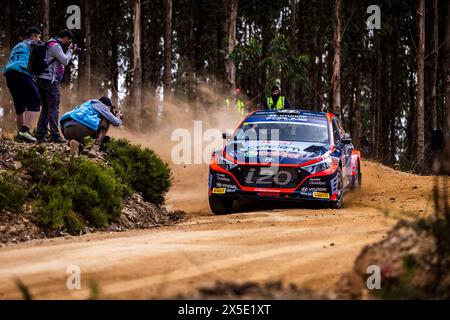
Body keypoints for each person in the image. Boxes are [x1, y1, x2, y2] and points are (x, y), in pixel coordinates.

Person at [36, 29, 77, 143]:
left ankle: (41, 134)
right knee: (54, 108)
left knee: (46, 108)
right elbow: (65, 61)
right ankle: (55, 135)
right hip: (50, 81)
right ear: (65, 38)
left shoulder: (49, 43)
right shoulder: (55, 45)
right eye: (69, 40)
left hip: (42, 79)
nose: (69, 43)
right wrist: (69, 51)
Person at [2, 27, 42, 143]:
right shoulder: (33, 44)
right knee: (35, 100)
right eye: (38, 37)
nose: (39, 40)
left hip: (10, 74)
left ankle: (20, 134)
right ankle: (25, 130)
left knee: (20, 106)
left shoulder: (17, 45)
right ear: (33, 36)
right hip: (22, 73)